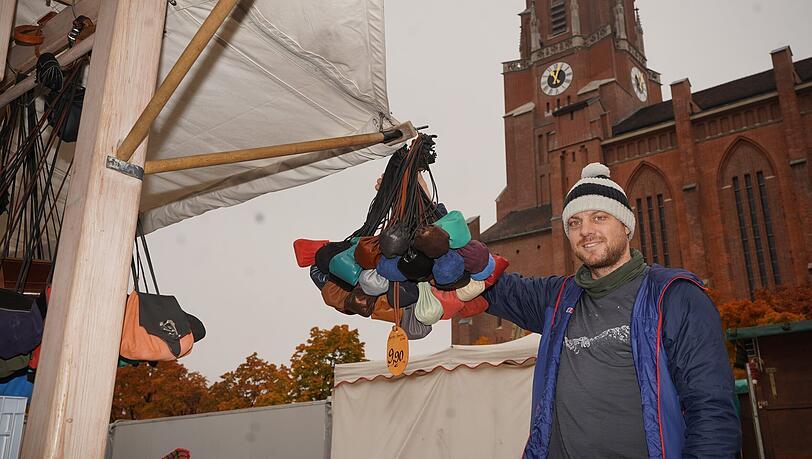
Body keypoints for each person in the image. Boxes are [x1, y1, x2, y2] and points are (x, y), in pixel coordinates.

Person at [483, 163, 741, 458]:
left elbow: (711, 412)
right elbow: (490, 283)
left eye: (599, 217)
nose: (586, 231)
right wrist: (434, 223)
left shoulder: (676, 297)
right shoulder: (559, 298)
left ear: (626, 225)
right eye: (575, 223)